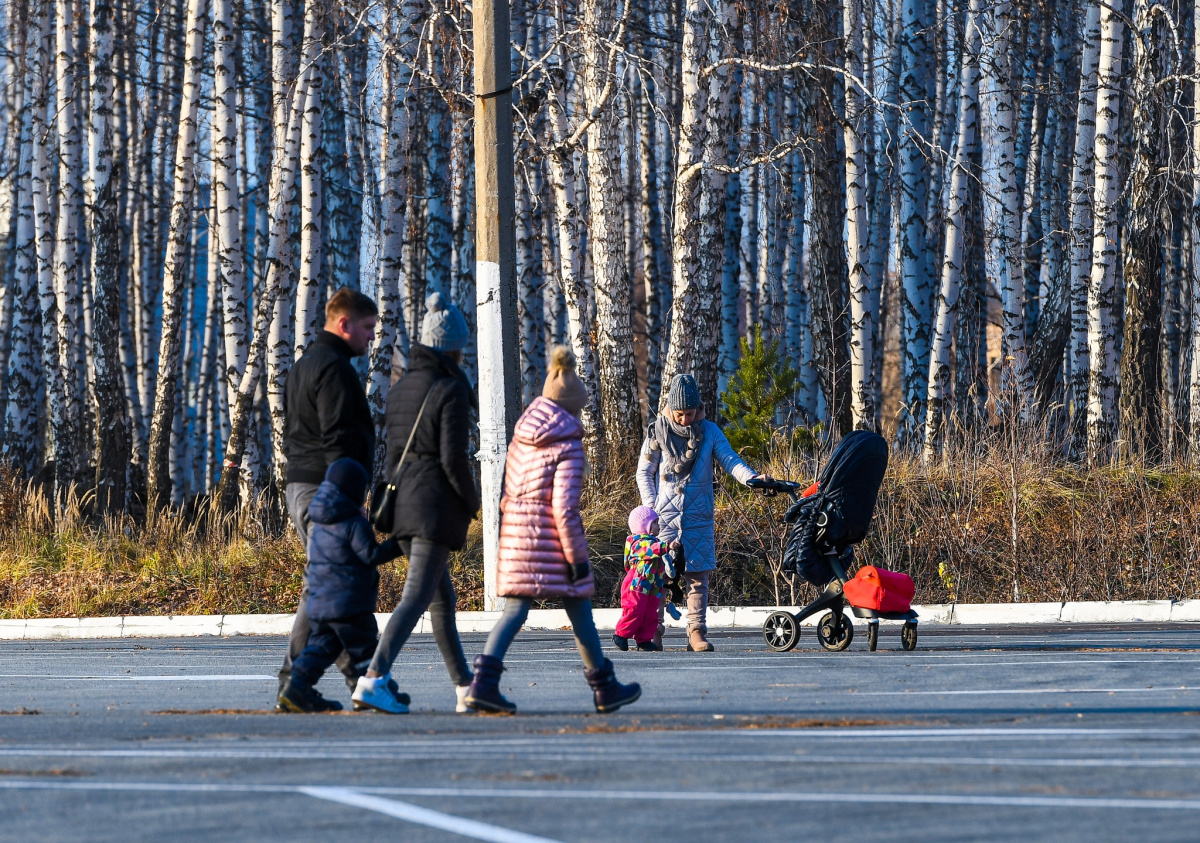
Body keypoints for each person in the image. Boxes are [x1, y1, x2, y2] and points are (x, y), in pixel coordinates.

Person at [465, 346, 641, 715]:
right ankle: (604, 688)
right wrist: (577, 559)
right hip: (551, 541)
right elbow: (564, 509)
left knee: (517, 610)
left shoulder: (522, 434)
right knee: (578, 608)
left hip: (517, 536)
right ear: (573, 408)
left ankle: (482, 684)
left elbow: (508, 491)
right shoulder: (568, 445)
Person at [352, 292, 479, 715]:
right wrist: (471, 500)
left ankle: (466, 687)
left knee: (441, 601)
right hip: (433, 510)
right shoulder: (451, 389)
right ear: (452, 348)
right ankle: (373, 679)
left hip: (404, 505)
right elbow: (452, 459)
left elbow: (392, 456)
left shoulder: (402, 387)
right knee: (414, 599)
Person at [279, 287, 379, 710]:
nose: (371, 336)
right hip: (326, 489)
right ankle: (302, 681)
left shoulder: (304, 365)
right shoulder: (334, 370)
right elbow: (338, 436)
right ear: (344, 323)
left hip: (305, 486)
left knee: (327, 586)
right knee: (334, 588)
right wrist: (348, 497)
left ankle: (320, 681)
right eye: (367, 327)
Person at [636, 373, 768, 652]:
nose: (685, 420)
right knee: (660, 576)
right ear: (671, 409)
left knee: (697, 579)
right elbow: (643, 473)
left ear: (698, 409)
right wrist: (651, 509)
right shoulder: (656, 432)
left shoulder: (709, 431)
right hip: (662, 520)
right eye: (680, 414)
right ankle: (653, 631)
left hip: (698, 517)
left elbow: (730, 460)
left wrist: (752, 479)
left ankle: (696, 632)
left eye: (690, 413)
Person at [277, 459, 401, 713]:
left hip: (321, 602)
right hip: (348, 603)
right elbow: (370, 555)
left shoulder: (319, 523)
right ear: (354, 490)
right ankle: (375, 691)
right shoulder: (353, 523)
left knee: (322, 647)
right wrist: (399, 543)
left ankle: (295, 686)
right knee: (366, 649)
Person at [612, 505, 678, 652]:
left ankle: (644, 639)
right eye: (654, 523)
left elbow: (658, 562)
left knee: (650, 613)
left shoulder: (653, 541)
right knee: (635, 609)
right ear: (644, 526)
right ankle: (621, 634)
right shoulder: (637, 543)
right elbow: (650, 549)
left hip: (652, 585)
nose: (658, 526)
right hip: (637, 584)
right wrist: (667, 546)